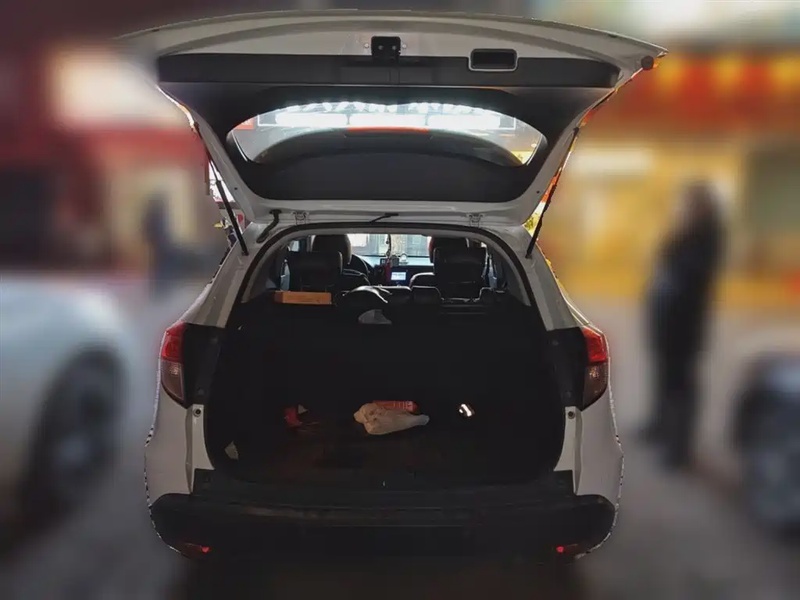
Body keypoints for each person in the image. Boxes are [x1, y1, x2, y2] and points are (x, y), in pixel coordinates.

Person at [642, 182, 725, 469]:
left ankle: (680, 448)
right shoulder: (685, 232)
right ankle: (659, 425)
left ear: (703, 207)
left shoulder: (708, 236)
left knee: (681, 381)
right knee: (663, 372)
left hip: (686, 321)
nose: (685, 209)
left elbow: (692, 274)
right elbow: (664, 257)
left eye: (690, 205)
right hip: (667, 317)